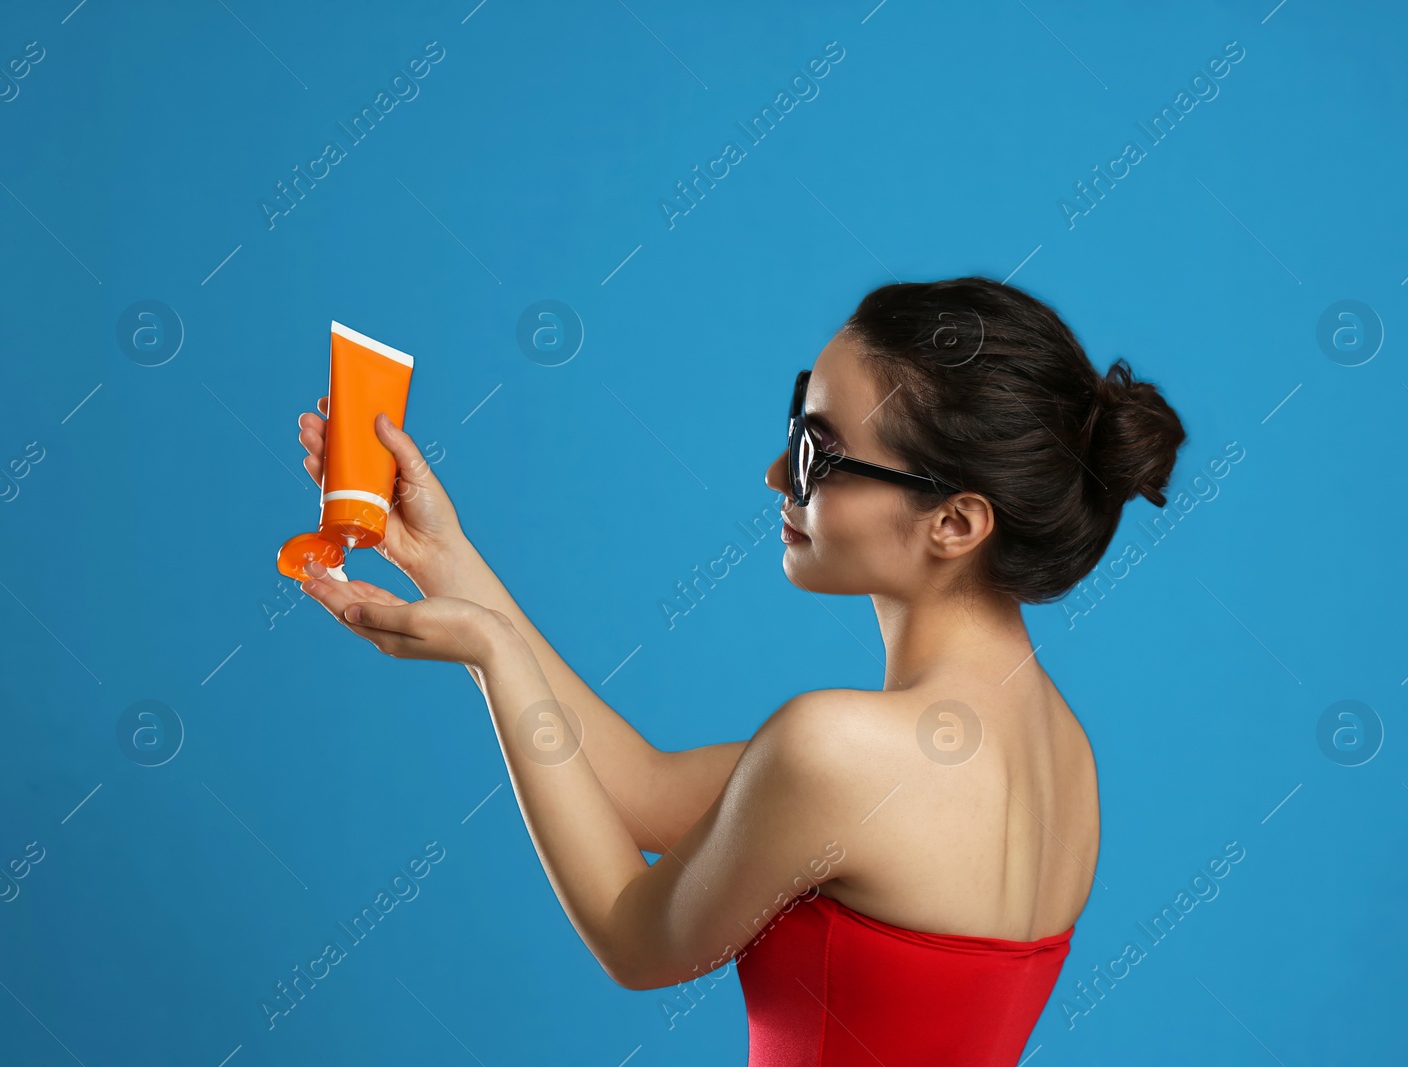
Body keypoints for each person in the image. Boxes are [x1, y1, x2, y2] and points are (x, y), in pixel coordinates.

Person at [296, 276, 1186, 1063]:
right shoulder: (1065, 754)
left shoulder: (841, 750)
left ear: (954, 523)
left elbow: (633, 939)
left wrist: (493, 657)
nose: (775, 475)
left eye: (818, 455)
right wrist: (442, 556)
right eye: (795, 425)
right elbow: (643, 789)